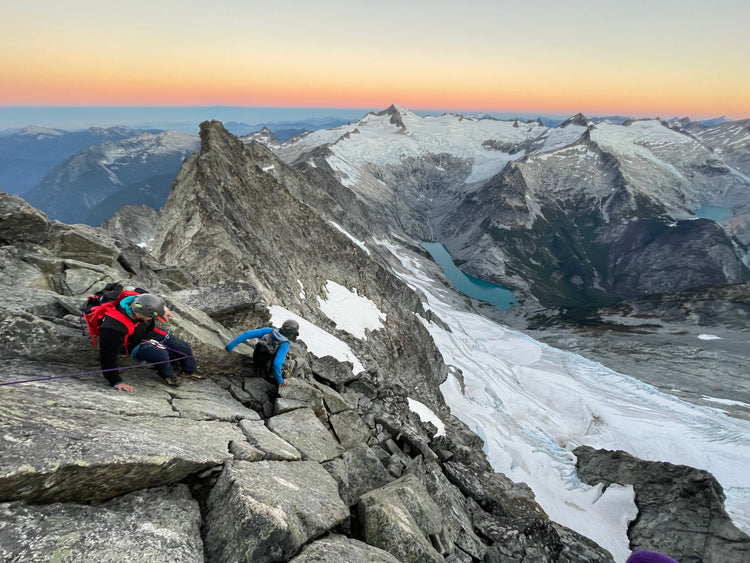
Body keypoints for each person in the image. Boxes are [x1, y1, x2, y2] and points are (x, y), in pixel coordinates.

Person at [99, 292, 200, 392]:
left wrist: (162, 309)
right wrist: (115, 381)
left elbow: (147, 296)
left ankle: (188, 371)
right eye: (151, 317)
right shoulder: (113, 327)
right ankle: (168, 375)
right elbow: (107, 355)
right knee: (160, 354)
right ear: (139, 314)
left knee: (182, 346)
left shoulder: (137, 299)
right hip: (129, 343)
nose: (153, 319)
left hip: (145, 331)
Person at [225, 319, 302, 386]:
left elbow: (247, 334)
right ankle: (299, 376)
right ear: (290, 333)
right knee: (299, 362)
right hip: (269, 372)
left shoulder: (269, 331)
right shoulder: (285, 344)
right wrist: (280, 380)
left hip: (257, 363)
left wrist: (229, 347)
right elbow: (277, 364)